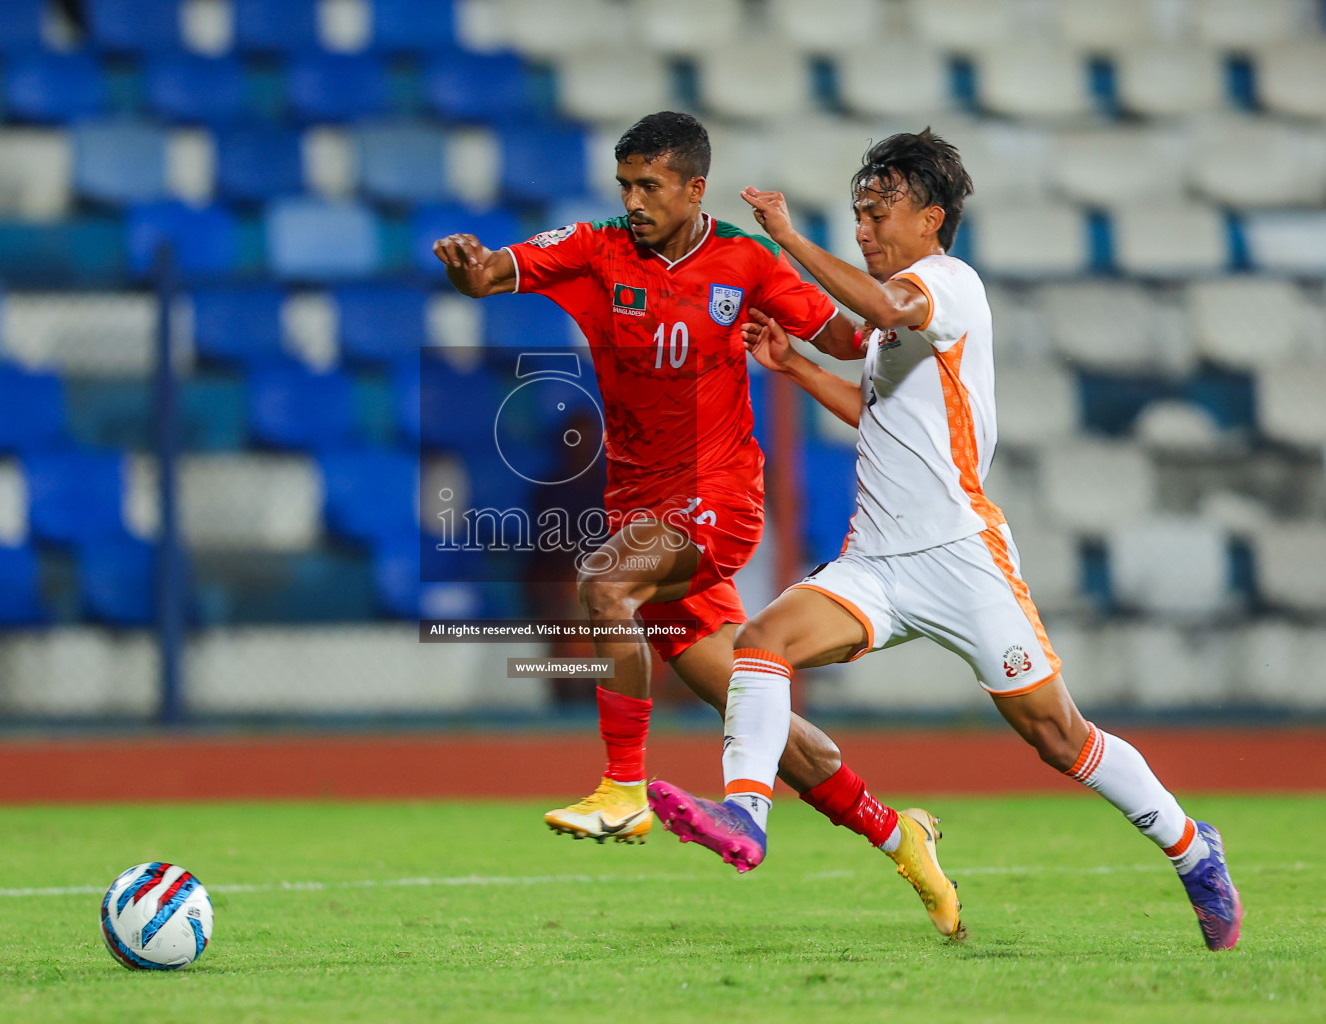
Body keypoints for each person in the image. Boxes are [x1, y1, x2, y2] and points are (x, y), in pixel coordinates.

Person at [646, 129, 1242, 951]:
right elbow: (878, 414)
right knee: (764, 639)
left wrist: (787, 237)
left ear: (931, 218)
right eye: (856, 213)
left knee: (1056, 736)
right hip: (877, 565)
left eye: (878, 212)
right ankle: (745, 814)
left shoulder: (945, 285)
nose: (863, 228)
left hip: (962, 560)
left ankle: (1189, 846)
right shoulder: (901, 316)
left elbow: (878, 310)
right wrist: (798, 368)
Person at [433, 112, 964, 938]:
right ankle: (904, 838)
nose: (634, 201)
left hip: (718, 502)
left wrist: (894, 325)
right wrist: (471, 271)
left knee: (604, 583)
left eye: (650, 186)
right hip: (642, 513)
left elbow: (861, 339)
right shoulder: (594, 248)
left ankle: (622, 790)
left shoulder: (747, 263)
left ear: (694, 188)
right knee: (768, 728)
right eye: (625, 185)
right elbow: (497, 272)